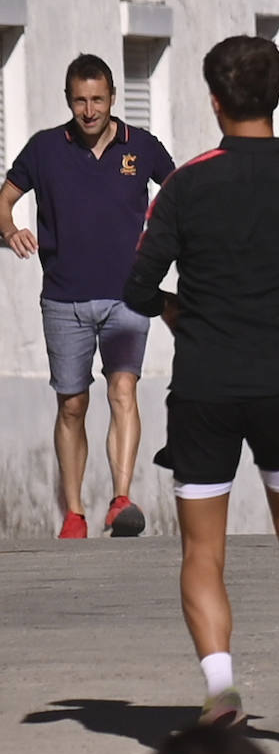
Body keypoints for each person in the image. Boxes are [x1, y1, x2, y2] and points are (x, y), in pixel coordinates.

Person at [122, 36, 279, 731]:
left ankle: (221, 691)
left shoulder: (188, 183)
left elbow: (137, 284)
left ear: (215, 100)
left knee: (202, 547)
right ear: (277, 97)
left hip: (204, 385)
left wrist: (176, 310)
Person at [0, 54, 174, 539]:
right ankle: (74, 513)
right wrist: (9, 231)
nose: (90, 110)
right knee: (72, 404)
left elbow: (178, 193)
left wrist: (168, 243)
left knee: (123, 390)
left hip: (128, 296)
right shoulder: (44, 150)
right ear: (68, 100)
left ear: (113, 98)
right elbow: (5, 200)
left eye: (98, 99)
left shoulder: (141, 146)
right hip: (63, 297)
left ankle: (121, 500)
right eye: (80, 100)